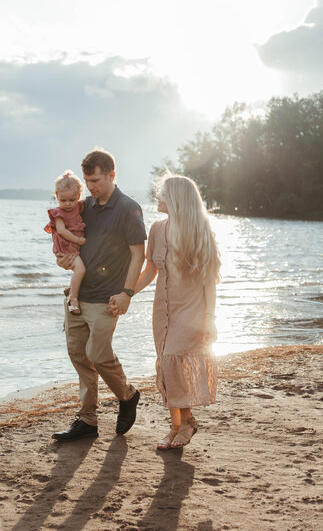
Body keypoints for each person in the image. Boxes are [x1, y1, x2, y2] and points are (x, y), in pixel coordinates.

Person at [52, 148, 147, 442]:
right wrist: (62, 259)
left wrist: (128, 293)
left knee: (98, 354)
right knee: (79, 356)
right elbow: (68, 242)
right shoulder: (84, 206)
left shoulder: (128, 208)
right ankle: (88, 420)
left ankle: (127, 395)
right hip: (78, 296)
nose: (90, 187)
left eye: (95, 180)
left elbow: (138, 255)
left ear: (111, 175)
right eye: (87, 180)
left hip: (108, 298)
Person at [134, 172, 220, 450]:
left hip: (191, 312)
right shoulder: (157, 229)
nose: (157, 197)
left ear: (177, 199)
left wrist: (210, 319)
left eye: (162, 193)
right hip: (163, 310)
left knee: (172, 361)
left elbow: (209, 279)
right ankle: (178, 426)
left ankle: (186, 423)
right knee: (167, 367)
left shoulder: (199, 230)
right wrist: (127, 293)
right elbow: (150, 270)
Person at [44, 170, 86, 315]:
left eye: (72, 200)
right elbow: (61, 231)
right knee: (80, 270)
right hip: (66, 246)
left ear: (78, 197)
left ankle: (72, 288)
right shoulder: (59, 214)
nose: (67, 204)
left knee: (78, 270)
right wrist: (79, 240)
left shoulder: (79, 207)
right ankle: (72, 298)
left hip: (72, 245)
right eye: (63, 200)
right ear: (57, 197)